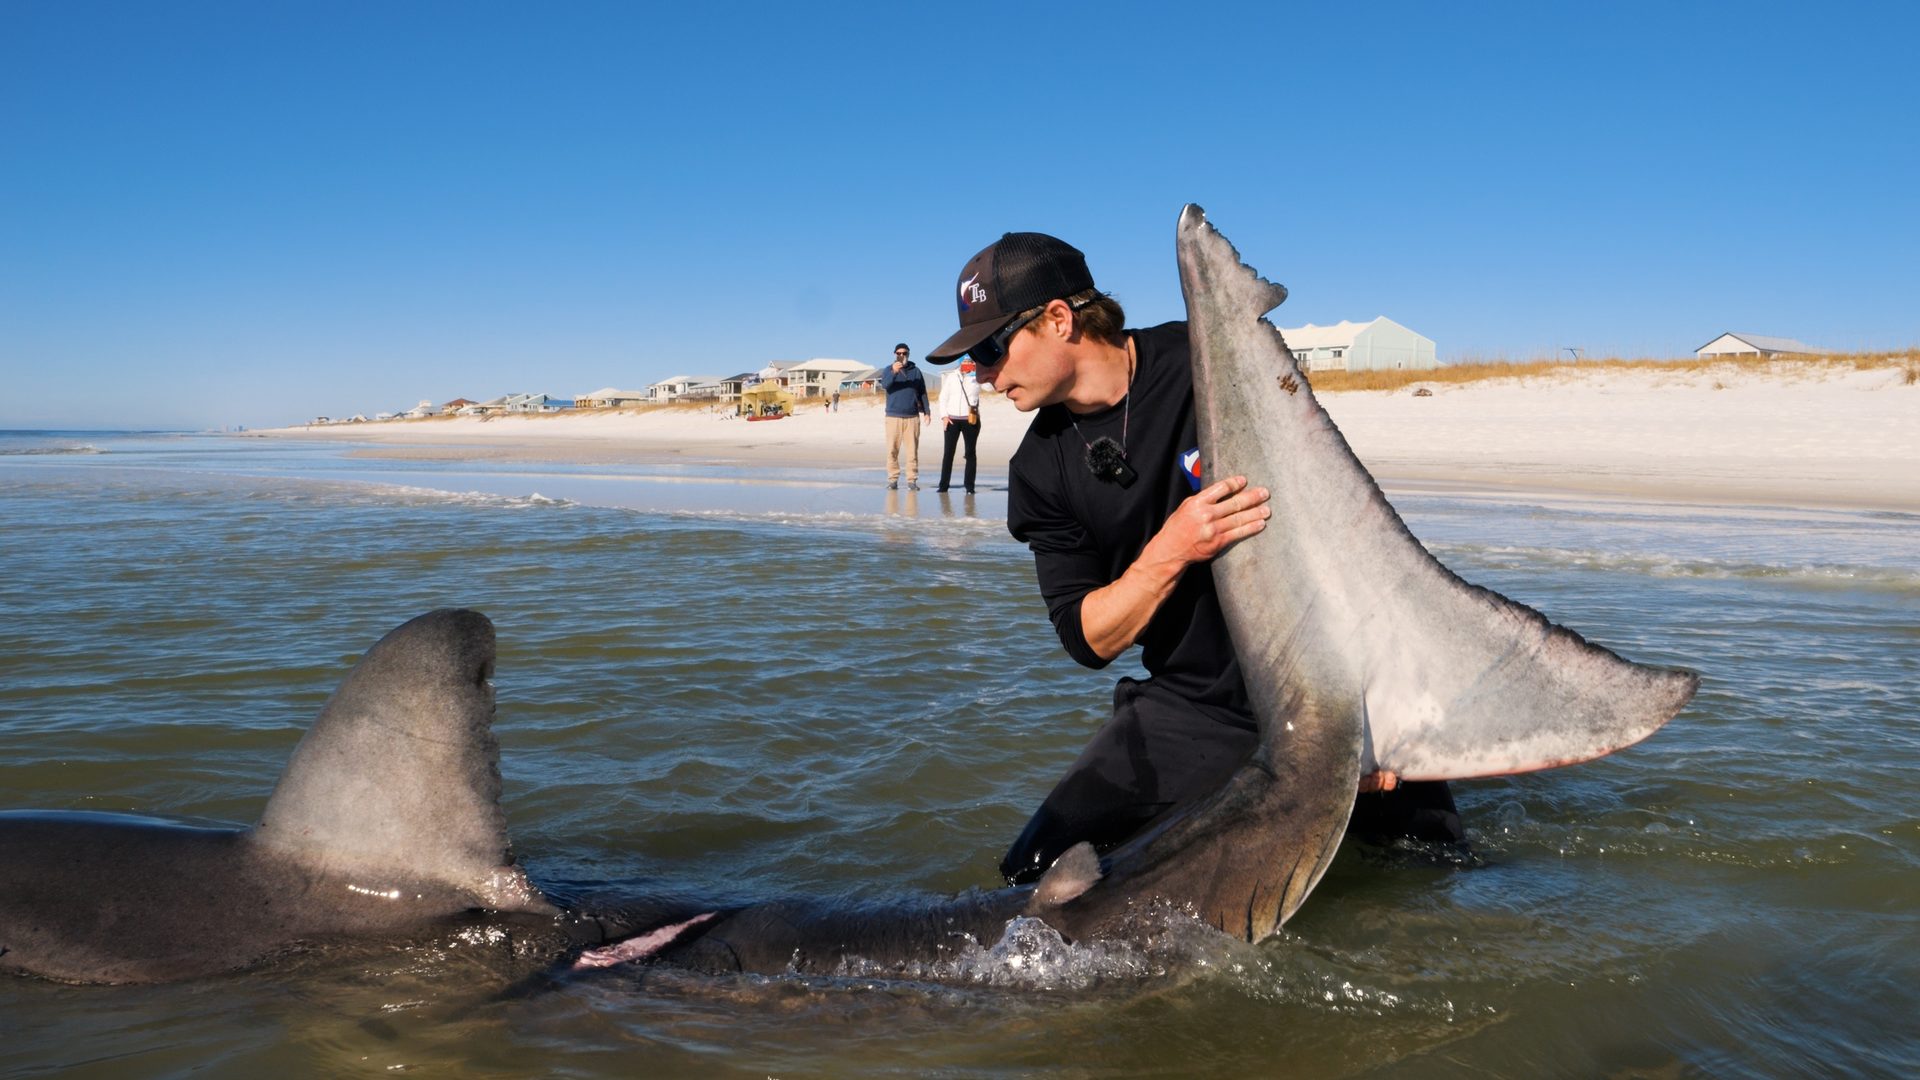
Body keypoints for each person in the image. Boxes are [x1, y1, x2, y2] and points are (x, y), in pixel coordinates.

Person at [924, 231, 1464, 885]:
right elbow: (1088, 637)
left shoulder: (1208, 365)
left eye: (989, 348)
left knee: (1441, 874)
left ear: (1058, 320)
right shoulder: (1040, 470)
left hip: (1330, 684)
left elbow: (1345, 530)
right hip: (1196, 707)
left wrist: (1379, 707)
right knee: (1033, 880)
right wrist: (1174, 549)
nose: (979, 372)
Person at [879, 343, 929, 490]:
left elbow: (922, 393)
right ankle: (893, 480)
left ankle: (912, 480)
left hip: (912, 417)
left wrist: (927, 412)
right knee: (892, 450)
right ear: (894, 354)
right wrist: (894, 372)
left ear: (908, 354)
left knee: (912, 451)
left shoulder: (916, 372)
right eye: (899, 353)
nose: (902, 356)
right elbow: (885, 385)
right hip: (893, 416)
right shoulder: (888, 370)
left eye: (904, 353)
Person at [934, 358, 983, 493]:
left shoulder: (977, 376)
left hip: (971, 419)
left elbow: (989, 387)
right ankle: (943, 486)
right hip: (952, 420)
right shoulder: (952, 376)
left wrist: (978, 373)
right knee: (948, 453)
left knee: (970, 453)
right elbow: (943, 397)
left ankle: (969, 487)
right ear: (961, 362)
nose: (968, 363)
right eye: (965, 361)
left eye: (970, 361)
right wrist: (944, 416)